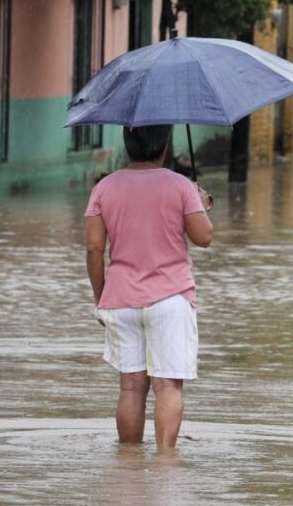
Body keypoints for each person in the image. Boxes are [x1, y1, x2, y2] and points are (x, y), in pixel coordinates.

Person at [84, 125, 213, 451]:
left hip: (121, 300)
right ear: (165, 144)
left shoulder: (104, 188)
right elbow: (204, 237)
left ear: (127, 144)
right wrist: (200, 204)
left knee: (130, 388)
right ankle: (165, 465)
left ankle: (128, 465)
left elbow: (94, 250)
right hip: (170, 300)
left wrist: (102, 298)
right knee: (167, 385)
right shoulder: (180, 185)